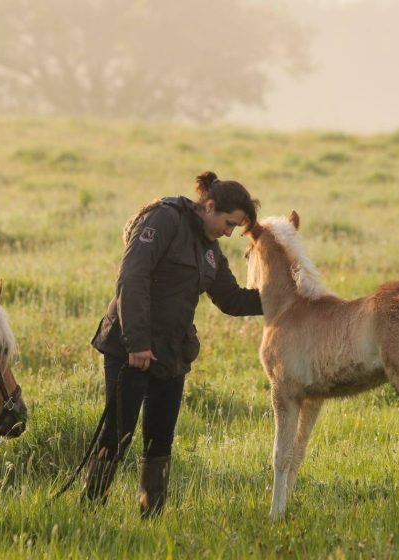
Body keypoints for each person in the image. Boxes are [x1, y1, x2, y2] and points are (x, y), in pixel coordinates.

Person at [86, 171, 262, 516]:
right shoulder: (163, 218)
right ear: (209, 206)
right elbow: (131, 277)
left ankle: (151, 518)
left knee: (160, 440)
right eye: (228, 223)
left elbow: (232, 299)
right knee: (117, 435)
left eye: (234, 228)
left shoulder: (210, 251)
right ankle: (89, 510)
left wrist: (286, 298)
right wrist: (136, 342)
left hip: (171, 353)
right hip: (129, 348)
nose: (229, 233)